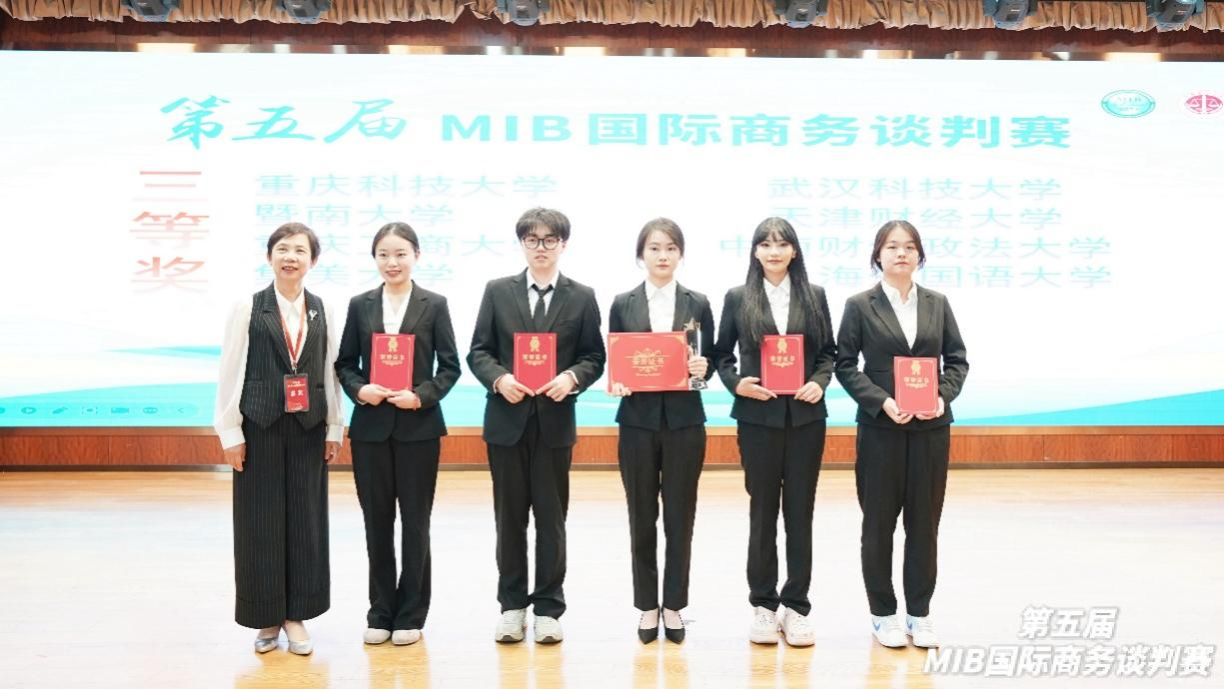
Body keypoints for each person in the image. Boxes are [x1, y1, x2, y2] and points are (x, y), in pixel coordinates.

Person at [467, 207, 606, 644]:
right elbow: (479, 351)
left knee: (551, 520)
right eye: (532, 239)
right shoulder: (497, 291)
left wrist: (571, 379)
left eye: (549, 240)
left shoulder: (581, 296)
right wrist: (499, 379)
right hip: (506, 421)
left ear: (564, 244)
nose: (541, 247)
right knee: (509, 520)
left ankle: (548, 607)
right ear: (522, 244)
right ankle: (511, 607)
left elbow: (594, 356)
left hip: (554, 423)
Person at [834, 219, 969, 649]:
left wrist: (942, 397)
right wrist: (881, 401)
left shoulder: (937, 303)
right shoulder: (860, 305)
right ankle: (883, 614)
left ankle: (919, 614)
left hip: (930, 431)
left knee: (924, 524)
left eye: (909, 247)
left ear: (919, 255)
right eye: (892, 246)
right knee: (878, 525)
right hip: (881, 430)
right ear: (878, 255)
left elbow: (957, 360)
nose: (901, 253)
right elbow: (844, 365)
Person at [214, 222, 343, 655]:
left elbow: (329, 370)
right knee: (259, 523)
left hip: (308, 429)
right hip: (260, 428)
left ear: (313, 260)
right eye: (283, 249)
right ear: (269, 257)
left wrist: (334, 426)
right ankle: (266, 616)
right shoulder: (248, 308)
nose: (291, 257)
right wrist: (230, 431)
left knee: (306, 523)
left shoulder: (322, 309)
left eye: (300, 251)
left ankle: (296, 615)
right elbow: (230, 370)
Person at [711, 217, 836, 648]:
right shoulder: (738, 297)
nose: (774, 251)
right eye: (765, 244)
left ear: (794, 251)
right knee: (762, 512)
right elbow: (721, 354)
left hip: (805, 419)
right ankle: (763, 606)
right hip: (757, 419)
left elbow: (828, 353)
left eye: (782, 244)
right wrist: (736, 384)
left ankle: (797, 606)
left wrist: (819, 382)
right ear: (755, 251)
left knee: (800, 512)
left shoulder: (814, 295)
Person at [334, 222, 461, 647]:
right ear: (375, 258)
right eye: (384, 254)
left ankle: (411, 612)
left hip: (418, 429)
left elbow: (450, 367)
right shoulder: (360, 305)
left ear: (416, 256)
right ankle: (380, 610)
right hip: (371, 429)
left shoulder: (434, 304)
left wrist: (421, 396)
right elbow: (345, 363)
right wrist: (360, 390)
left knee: (415, 522)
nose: (392, 262)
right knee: (376, 522)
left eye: (401, 254)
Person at [607, 218, 715, 644]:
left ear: (680, 254)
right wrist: (618, 380)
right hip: (637, 422)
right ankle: (647, 605)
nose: (663, 255)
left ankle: (673, 604)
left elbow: (707, 365)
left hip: (685, 422)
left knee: (680, 516)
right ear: (641, 255)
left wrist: (702, 369)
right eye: (654, 248)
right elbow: (617, 359)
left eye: (670, 247)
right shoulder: (623, 303)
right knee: (641, 515)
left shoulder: (698, 302)